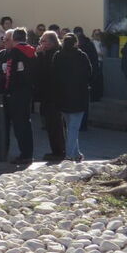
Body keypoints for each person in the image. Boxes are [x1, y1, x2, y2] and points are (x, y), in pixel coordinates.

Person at [0, 28, 36, 164]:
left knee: (21, 124)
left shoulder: (18, 53)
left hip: (16, 95)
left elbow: (12, 75)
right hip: (7, 96)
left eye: (6, 40)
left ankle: (26, 153)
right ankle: (2, 149)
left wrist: (8, 88)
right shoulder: (1, 55)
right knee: (4, 125)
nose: (4, 42)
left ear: (13, 40)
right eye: (3, 40)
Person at [52, 34, 91, 162]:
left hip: (62, 96)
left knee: (70, 127)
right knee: (74, 127)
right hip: (78, 96)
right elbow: (89, 74)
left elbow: (54, 75)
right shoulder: (81, 56)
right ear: (75, 43)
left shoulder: (58, 56)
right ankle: (69, 155)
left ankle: (76, 153)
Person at [34, 31, 65, 161]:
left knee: (54, 125)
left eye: (44, 41)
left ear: (52, 42)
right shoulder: (50, 53)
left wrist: (40, 55)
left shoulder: (55, 54)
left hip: (53, 95)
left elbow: (44, 72)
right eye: (41, 41)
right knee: (50, 124)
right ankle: (57, 150)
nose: (41, 44)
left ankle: (58, 151)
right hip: (47, 95)